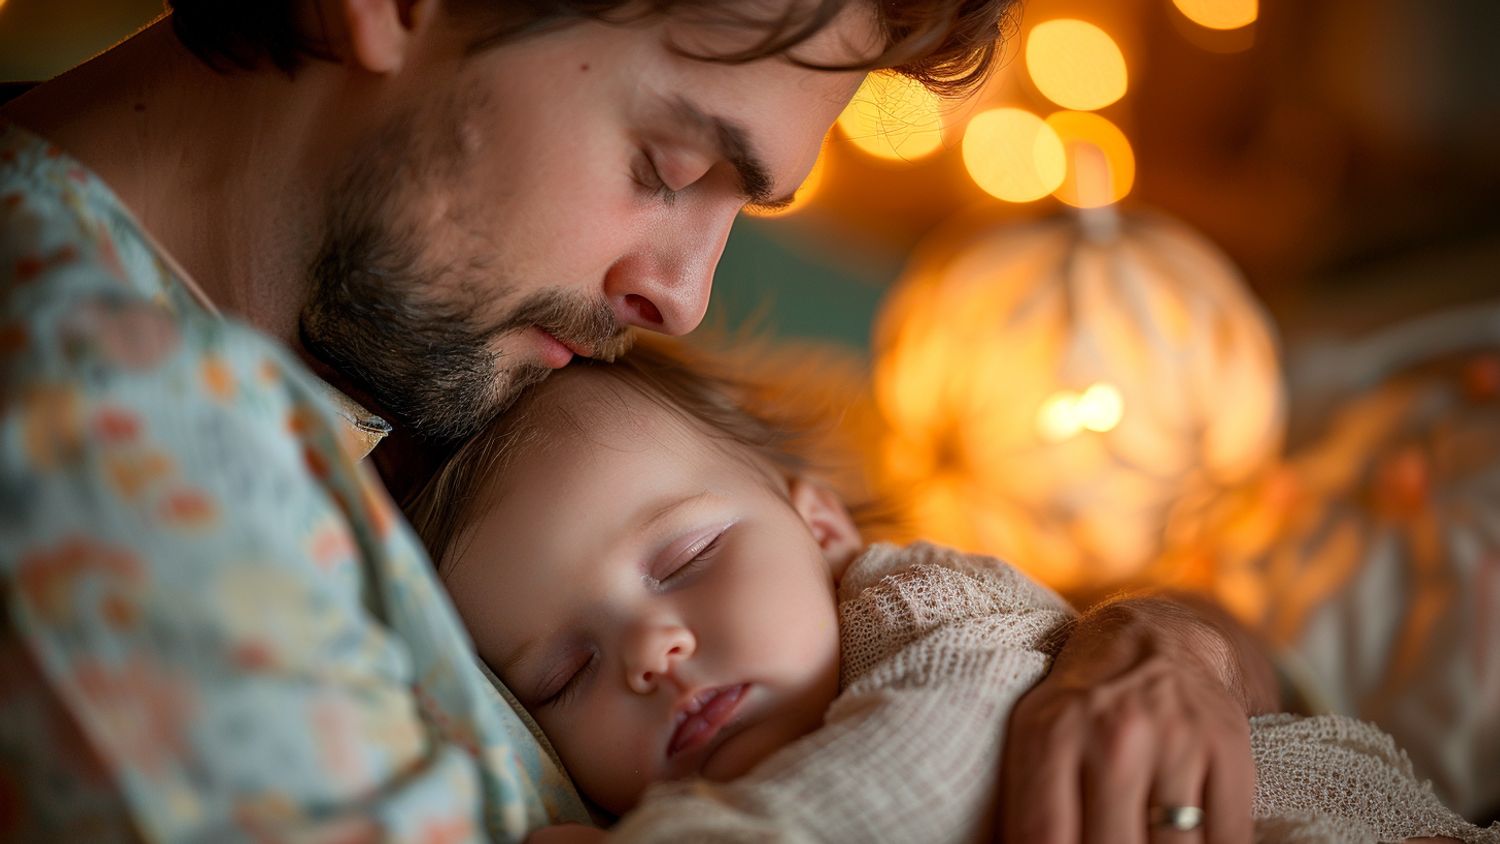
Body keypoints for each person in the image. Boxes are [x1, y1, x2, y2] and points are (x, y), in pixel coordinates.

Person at [1, 1, 1276, 840]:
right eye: (667, 168)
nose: (681, 295)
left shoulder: (426, 346)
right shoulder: (104, 438)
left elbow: (994, 599)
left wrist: (1149, 651)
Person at [405, 340, 1498, 844]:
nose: (650, 651)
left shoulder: (926, 610)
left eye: (685, 560)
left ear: (821, 525)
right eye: (566, 671)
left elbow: (920, 778)